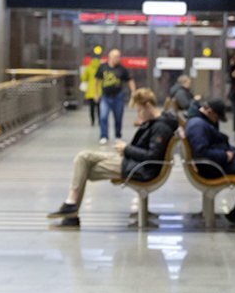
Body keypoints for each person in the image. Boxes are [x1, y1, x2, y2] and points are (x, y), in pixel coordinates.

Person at [48, 88, 178, 228]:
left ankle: (71, 210)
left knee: (83, 168)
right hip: (133, 162)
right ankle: (71, 204)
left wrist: (126, 149)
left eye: (139, 110)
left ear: (147, 106)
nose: (138, 114)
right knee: (83, 157)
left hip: (140, 168)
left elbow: (152, 155)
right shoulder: (156, 122)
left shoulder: (160, 127)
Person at [184, 98, 235, 227]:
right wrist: (225, 156)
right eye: (217, 117)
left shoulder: (200, 122)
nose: (217, 121)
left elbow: (217, 144)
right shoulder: (198, 126)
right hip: (212, 168)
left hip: (215, 163)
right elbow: (201, 153)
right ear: (209, 112)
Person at [95, 49, 136, 144]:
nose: (118, 59)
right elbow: (96, 80)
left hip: (117, 96)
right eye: (116, 57)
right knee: (103, 116)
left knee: (118, 117)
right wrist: (96, 93)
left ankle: (118, 135)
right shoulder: (102, 67)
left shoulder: (122, 69)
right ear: (110, 57)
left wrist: (133, 92)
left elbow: (130, 80)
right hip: (105, 96)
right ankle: (104, 136)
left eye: (119, 56)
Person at [79, 53, 101, 126]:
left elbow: (83, 78)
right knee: (99, 108)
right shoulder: (100, 68)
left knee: (91, 108)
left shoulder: (88, 68)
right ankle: (100, 121)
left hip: (90, 91)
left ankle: (92, 121)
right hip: (99, 91)